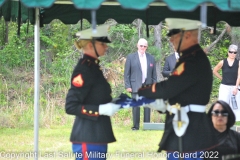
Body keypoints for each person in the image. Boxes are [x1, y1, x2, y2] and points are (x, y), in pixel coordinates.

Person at [138, 18, 218, 159]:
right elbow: (181, 93)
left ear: (187, 36)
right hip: (187, 127)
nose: (171, 40)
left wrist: (144, 90)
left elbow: (169, 87)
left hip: (189, 132)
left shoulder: (191, 60)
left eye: (174, 36)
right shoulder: (191, 58)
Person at [65, 24, 121, 160]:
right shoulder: (84, 70)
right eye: (102, 43)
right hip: (88, 137)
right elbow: (71, 106)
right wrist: (100, 110)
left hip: (97, 136)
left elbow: (96, 97)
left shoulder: (94, 68)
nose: (106, 46)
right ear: (90, 45)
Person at [124, 38, 157, 131]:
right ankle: (135, 126)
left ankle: (147, 126)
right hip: (135, 85)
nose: (142, 47)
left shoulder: (151, 58)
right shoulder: (131, 57)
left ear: (147, 47)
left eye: (144, 46)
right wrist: (128, 85)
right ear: (137, 46)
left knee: (147, 107)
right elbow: (127, 73)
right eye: (141, 45)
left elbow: (154, 75)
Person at [213, 44, 240, 121]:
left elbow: (239, 76)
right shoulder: (222, 62)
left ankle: (235, 120)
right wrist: (222, 78)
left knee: (235, 105)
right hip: (224, 86)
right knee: (222, 103)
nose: (232, 54)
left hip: (235, 86)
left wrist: (236, 87)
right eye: (231, 52)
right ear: (228, 52)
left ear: (236, 53)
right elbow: (215, 71)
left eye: (234, 52)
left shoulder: (238, 63)